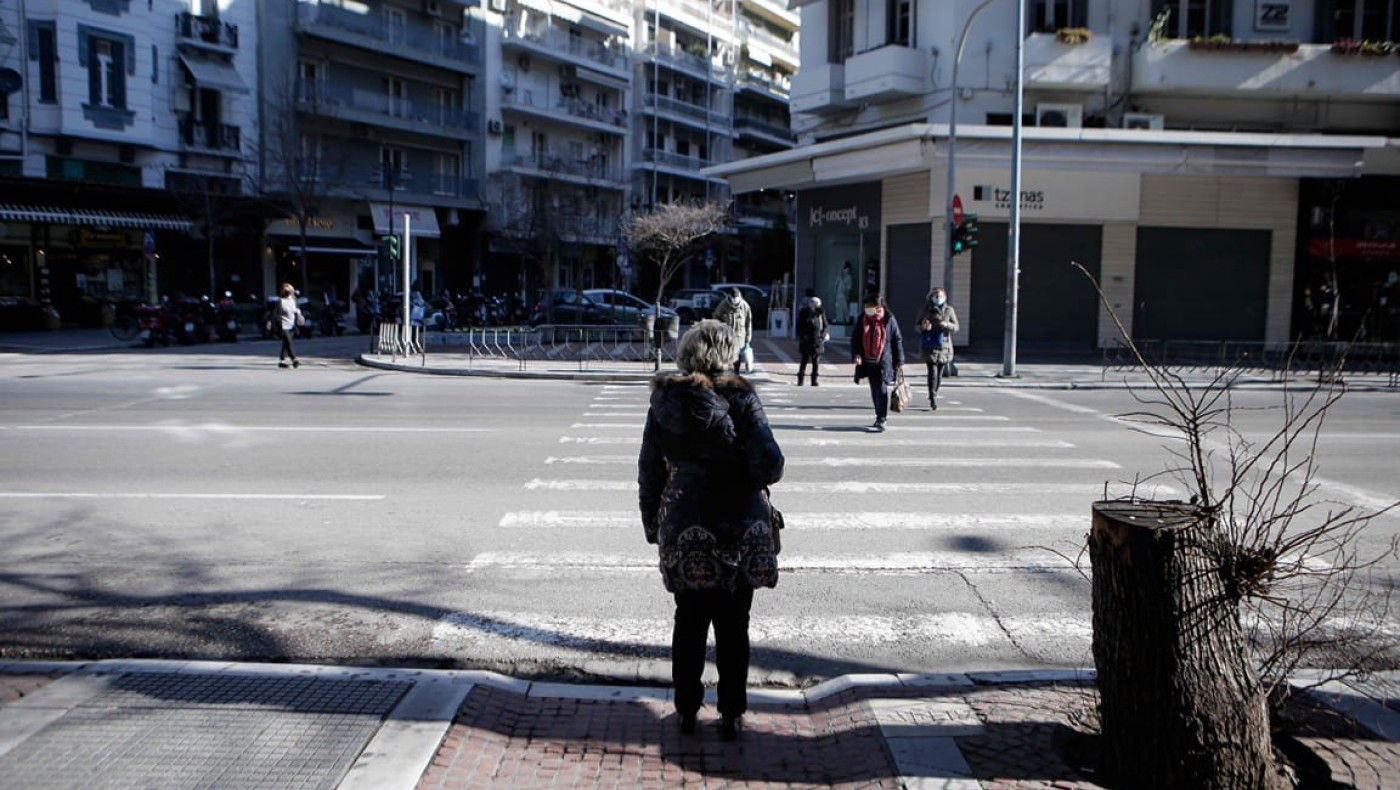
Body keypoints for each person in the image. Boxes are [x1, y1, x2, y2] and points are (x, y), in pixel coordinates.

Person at [638, 319, 785, 742]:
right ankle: (732, 714)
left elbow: (649, 469)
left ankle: (686, 708)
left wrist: (654, 525)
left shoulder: (664, 401)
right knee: (734, 623)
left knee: (689, 619)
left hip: (684, 522)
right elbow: (770, 466)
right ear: (727, 353)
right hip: (740, 522)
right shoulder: (741, 398)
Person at [851, 293, 904, 432]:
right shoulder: (862, 319)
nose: (867, 309)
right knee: (875, 390)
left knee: (882, 389)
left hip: (883, 361)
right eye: (866, 306)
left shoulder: (888, 319)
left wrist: (899, 360)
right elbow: (855, 339)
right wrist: (856, 354)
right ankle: (878, 415)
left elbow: (897, 339)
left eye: (870, 306)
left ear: (878, 306)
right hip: (868, 362)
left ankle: (882, 418)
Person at [915, 287, 960, 410]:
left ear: (944, 297)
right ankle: (932, 396)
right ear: (931, 297)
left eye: (940, 296)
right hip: (929, 345)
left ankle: (935, 391)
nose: (938, 299)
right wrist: (924, 328)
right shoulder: (925, 310)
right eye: (936, 296)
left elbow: (956, 327)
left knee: (939, 375)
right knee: (932, 373)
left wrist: (947, 325)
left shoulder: (949, 310)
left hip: (944, 346)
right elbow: (917, 326)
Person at [711, 287, 753, 373]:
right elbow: (715, 318)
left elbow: (748, 323)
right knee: (726, 356)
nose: (735, 301)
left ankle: (736, 372)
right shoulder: (723, 305)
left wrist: (748, 339)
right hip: (726, 336)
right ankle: (727, 372)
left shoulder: (745, 306)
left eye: (736, 299)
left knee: (737, 357)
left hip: (739, 337)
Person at [266, 282, 303, 368]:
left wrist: (299, 315)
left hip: (292, 325)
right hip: (283, 325)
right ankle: (295, 359)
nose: (286, 291)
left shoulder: (295, 301)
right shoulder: (280, 301)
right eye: (284, 289)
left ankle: (282, 361)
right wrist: (270, 322)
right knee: (289, 342)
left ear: (291, 290)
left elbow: (297, 312)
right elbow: (275, 313)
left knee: (286, 344)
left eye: (288, 289)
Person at [795, 295, 829, 386]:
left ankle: (814, 380)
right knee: (804, 360)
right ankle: (800, 379)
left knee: (816, 361)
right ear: (811, 304)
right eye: (815, 304)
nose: (817, 306)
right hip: (806, 340)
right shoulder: (804, 313)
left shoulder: (821, 313)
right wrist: (802, 337)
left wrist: (822, 336)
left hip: (817, 340)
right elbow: (799, 327)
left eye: (818, 304)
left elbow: (825, 325)